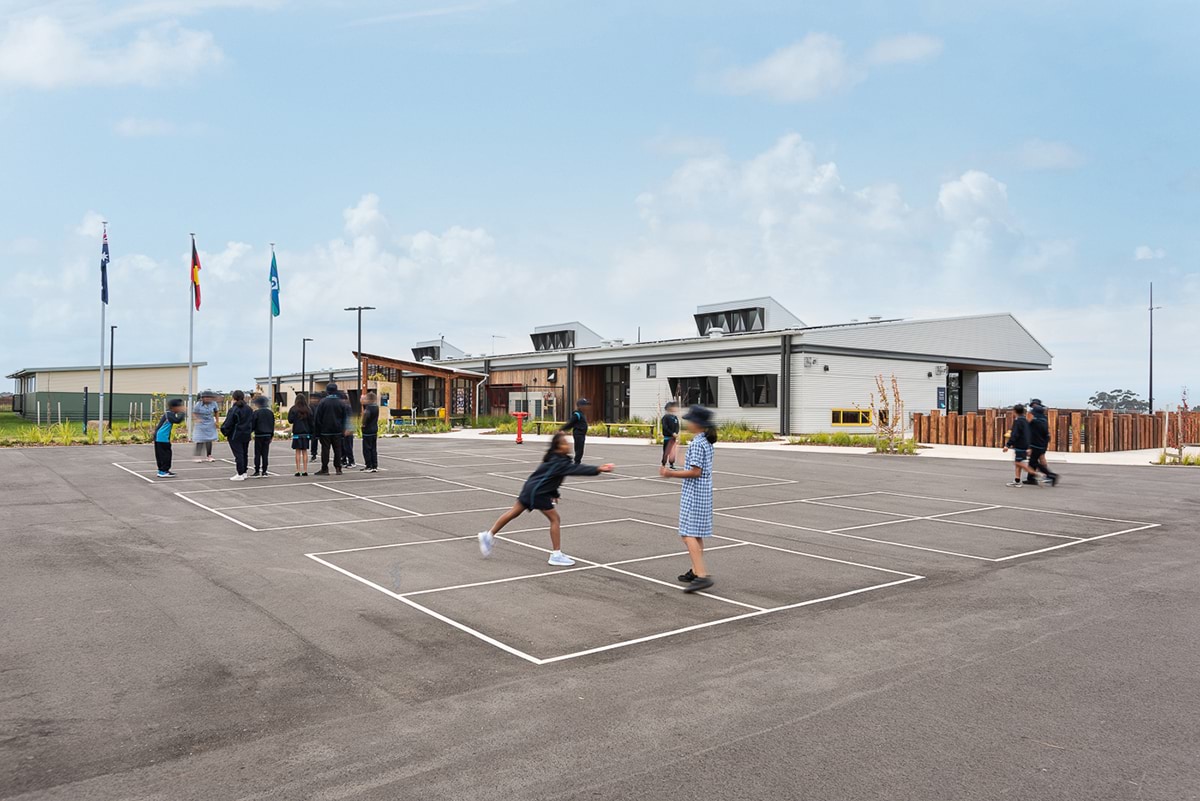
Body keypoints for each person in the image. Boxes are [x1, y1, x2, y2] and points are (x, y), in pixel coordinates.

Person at [478, 431, 614, 565]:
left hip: (530, 489)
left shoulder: (555, 460)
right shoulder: (559, 462)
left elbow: (550, 479)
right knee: (555, 519)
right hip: (538, 493)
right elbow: (577, 470)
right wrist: (599, 469)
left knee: (513, 512)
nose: (568, 444)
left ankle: (488, 535)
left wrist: (554, 494)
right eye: (565, 442)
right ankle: (556, 555)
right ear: (558, 447)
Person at [658, 405, 717, 593]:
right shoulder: (705, 441)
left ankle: (701, 575)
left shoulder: (698, 443)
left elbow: (695, 472)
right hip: (703, 491)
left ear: (698, 424)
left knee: (687, 534)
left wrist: (670, 474)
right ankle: (695, 569)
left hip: (695, 492)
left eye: (691, 420)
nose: (688, 423)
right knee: (696, 533)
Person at [1002, 403, 1042, 487]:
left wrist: (1008, 445)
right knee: (1018, 464)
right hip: (1024, 445)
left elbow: (1015, 434)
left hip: (1020, 445)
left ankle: (1034, 473)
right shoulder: (1025, 420)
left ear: (1015, 411)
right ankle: (1017, 480)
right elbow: (1028, 434)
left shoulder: (1018, 421)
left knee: (1018, 462)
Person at [313, 383, 347, 475]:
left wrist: (317, 432)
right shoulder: (341, 402)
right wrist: (343, 429)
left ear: (327, 391)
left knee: (325, 450)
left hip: (325, 431)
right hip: (337, 430)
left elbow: (317, 418)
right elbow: (345, 417)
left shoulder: (323, 402)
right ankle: (338, 468)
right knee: (337, 450)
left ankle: (325, 468)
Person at [219, 390, 254, 481]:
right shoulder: (249, 409)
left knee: (238, 455)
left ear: (234, 398)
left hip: (235, 435)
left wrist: (224, 431)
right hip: (246, 434)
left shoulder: (234, 409)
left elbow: (229, 422)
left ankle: (240, 473)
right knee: (244, 453)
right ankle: (244, 472)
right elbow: (252, 422)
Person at [1027, 399, 1060, 486]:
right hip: (1042, 443)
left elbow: (1030, 430)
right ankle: (1031, 478)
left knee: (1034, 462)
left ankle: (1051, 475)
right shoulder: (1043, 419)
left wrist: (1029, 446)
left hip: (1036, 444)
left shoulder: (1035, 421)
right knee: (1033, 461)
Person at [153, 398, 186, 477]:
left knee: (163, 454)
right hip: (161, 437)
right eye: (179, 406)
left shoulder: (169, 413)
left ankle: (163, 470)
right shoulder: (169, 414)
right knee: (165, 454)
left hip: (161, 437)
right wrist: (183, 412)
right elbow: (177, 420)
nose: (180, 408)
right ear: (174, 407)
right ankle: (163, 471)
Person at [288, 394, 313, 477]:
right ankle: (305, 470)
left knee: (297, 451)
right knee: (305, 451)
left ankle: (298, 470)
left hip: (297, 433)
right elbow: (311, 422)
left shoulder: (293, 409)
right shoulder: (308, 409)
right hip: (306, 433)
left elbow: (290, 420)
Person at [251, 395, 275, 478]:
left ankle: (257, 470)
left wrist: (252, 431)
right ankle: (265, 471)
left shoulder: (256, 413)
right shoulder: (270, 413)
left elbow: (253, 424)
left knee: (257, 453)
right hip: (268, 434)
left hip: (259, 434)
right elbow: (272, 424)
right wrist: (272, 435)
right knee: (265, 453)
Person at [192, 390, 220, 462]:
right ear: (202, 398)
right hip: (200, 423)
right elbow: (194, 413)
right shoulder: (198, 404)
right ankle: (198, 456)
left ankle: (209, 456)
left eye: (210, 397)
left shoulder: (214, 404)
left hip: (210, 423)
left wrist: (217, 421)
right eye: (206, 397)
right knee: (200, 439)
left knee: (209, 439)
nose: (208, 399)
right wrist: (196, 419)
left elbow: (216, 412)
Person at [560, 397, 590, 464]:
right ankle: (577, 463)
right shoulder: (577, 414)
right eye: (585, 405)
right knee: (579, 449)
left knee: (580, 449)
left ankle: (577, 461)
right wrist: (562, 429)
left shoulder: (581, 414)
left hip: (581, 434)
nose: (586, 407)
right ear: (580, 406)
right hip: (578, 434)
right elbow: (570, 423)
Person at [360, 391, 380, 472]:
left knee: (367, 449)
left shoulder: (368, 408)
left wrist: (363, 424)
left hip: (367, 430)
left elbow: (366, 416)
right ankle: (374, 465)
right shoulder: (376, 407)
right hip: (374, 429)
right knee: (373, 448)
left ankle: (368, 465)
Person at [660, 401, 680, 469]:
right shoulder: (665, 417)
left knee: (673, 452)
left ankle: (671, 464)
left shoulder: (675, 418)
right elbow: (665, 427)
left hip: (673, 438)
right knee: (666, 451)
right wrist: (672, 433)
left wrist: (676, 433)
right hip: (667, 437)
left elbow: (677, 426)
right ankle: (663, 464)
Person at [341, 394, 357, 469]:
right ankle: (343, 460)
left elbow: (350, 418)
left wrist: (349, 428)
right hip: (344, 429)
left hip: (347, 430)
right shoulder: (345, 407)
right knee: (344, 446)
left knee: (348, 447)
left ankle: (351, 461)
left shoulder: (347, 407)